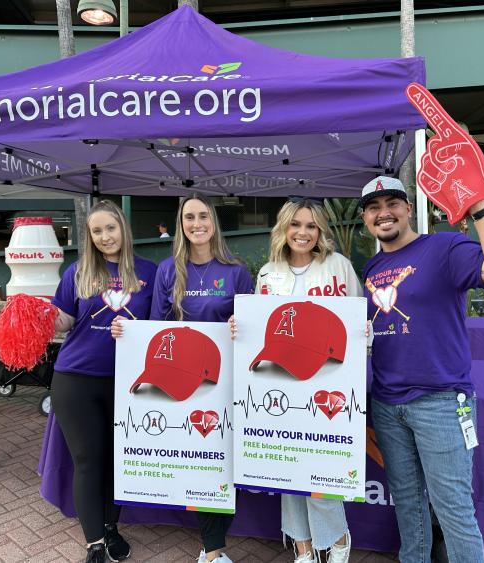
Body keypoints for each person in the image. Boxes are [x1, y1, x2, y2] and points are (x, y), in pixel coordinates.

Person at [360, 176, 484, 563]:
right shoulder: (371, 266)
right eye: (374, 207)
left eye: (393, 203)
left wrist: (478, 206)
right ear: (365, 218)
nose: (385, 213)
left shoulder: (444, 246)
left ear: (409, 209)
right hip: (387, 403)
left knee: (454, 510)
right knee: (409, 505)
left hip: (442, 401)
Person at [113, 193, 253, 563]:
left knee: (222, 459)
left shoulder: (236, 271)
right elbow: (157, 329)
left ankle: (213, 549)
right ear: (181, 224)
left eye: (203, 216)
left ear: (214, 222)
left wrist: (244, 325)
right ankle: (212, 548)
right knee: (197, 458)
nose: (196, 224)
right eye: (189, 217)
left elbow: (254, 327)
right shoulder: (167, 270)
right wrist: (126, 331)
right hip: (178, 378)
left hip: (221, 379)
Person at [254, 198, 361, 563]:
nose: (303, 232)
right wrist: (242, 328)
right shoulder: (268, 273)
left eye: (311, 226)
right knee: (288, 465)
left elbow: (360, 327)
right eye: (296, 224)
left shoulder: (339, 267)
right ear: (283, 228)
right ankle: (301, 547)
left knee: (321, 467)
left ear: (321, 231)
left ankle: (337, 539)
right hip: (281, 385)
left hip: (328, 381)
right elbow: (259, 331)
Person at [50, 200, 157, 563]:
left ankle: (112, 529)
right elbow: (63, 320)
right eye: (97, 231)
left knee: (117, 458)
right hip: (75, 378)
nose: (105, 236)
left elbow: (160, 324)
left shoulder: (150, 272)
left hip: (126, 381)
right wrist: (37, 317)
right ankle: (93, 541)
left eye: (110, 228)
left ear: (122, 229)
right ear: (90, 236)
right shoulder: (77, 272)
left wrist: (136, 330)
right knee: (86, 459)